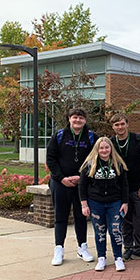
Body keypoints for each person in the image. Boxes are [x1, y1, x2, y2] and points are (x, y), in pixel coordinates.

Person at [46, 107, 99, 266]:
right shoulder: (59, 136)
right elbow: (51, 159)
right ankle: (59, 249)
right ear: (69, 119)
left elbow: (95, 160)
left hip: (81, 184)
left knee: (81, 216)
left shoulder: (91, 137)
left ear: (85, 120)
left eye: (81, 118)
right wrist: (61, 178)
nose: (78, 120)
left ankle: (82, 247)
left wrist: (81, 177)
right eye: (75, 117)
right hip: (60, 183)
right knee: (60, 216)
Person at [78, 137, 129, 272]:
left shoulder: (117, 164)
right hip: (95, 203)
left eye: (107, 148)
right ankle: (101, 257)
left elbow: (124, 185)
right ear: (97, 149)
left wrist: (125, 202)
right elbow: (82, 186)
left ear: (111, 149)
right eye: (101, 148)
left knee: (116, 230)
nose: (104, 150)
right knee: (100, 231)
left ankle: (118, 257)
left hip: (115, 203)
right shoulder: (90, 164)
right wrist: (84, 205)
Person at [110, 114, 140, 261]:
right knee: (125, 219)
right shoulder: (111, 143)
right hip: (120, 190)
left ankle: (139, 247)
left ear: (127, 124)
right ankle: (128, 247)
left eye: (122, 124)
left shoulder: (139, 140)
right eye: (116, 125)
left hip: (138, 187)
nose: (120, 127)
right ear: (113, 127)